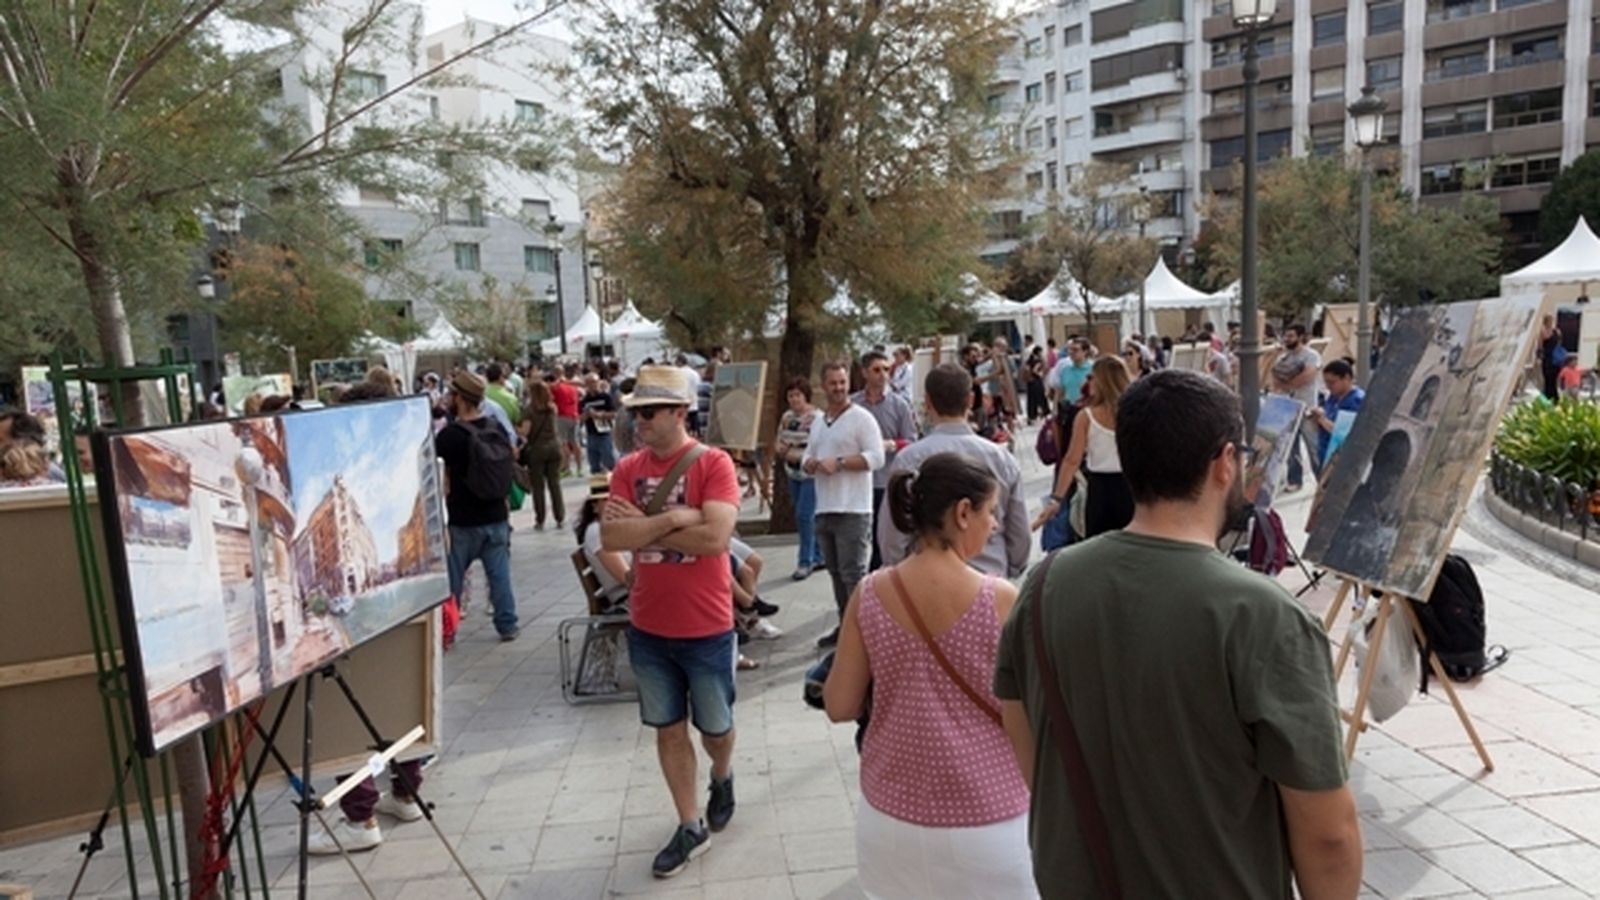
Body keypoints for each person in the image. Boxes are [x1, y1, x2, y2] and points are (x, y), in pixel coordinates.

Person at [996, 368, 1361, 898]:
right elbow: (1328, 833)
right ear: (1224, 462)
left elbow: (1025, 736)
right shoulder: (1263, 616)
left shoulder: (1044, 584)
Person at [825, 454, 1035, 900]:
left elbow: (839, 704)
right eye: (990, 511)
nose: (994, 524)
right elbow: (1026, 722)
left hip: (889, 821)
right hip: (989, 818)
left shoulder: (869, 594)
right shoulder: (999, 599)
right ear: (963, 513)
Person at [600, 365, 742, 879]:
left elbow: (716, 540)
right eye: (636, 411)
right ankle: (689, 825)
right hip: (649, 627)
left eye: (649, 411)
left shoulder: (714, 465)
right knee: (667, 730)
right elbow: (611, 540)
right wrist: (675, 518)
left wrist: (643, 527)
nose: (639, 420)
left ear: (680, 413)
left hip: (706, 625)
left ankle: (722, 776)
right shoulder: (626, 468)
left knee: (717, 727)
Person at [880, 364, 1028, 579]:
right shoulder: (1002, 459)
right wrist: (1012, 569)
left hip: (927, 582)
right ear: (970, 399)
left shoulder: (909, 459)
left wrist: (900, 573)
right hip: (989, 577)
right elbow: (1019, 530)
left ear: (928, 402)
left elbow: (893, 534)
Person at [804, 361, 887, 648]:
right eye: (833, 383)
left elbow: (876, 458)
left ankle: (864, 635)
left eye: (842, 382)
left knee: (853, 574)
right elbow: (806, 457)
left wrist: (839, 463)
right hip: (824, 506)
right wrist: (811, 464)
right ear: (823, 386)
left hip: (853, 507)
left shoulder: (862, 419)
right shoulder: (818, 421)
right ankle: (846, 626)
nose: (839, 388)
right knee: (836, 573)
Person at [436, 371, 520, 641]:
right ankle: (507, 625)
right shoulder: (495, 428)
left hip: (463, 519)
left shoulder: (449, 436)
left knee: (454, 580)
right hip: (496, 514)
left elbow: (439, 476)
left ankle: (447, 632)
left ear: (459, 399)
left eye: (452, 395)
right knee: (500, 576)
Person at [1033, 356, 1134, 538]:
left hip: (1100, 489)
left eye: (1091, 377)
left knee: (1099, 547)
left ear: (1102, 380)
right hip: (1132, 486)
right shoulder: (1138, 413)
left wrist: (1056, 499)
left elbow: (1072, 459)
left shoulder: (1087, 416)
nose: (1088, 381)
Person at [851, 351, 917, 571]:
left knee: (883, 537)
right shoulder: (853, 405)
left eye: (886, 370)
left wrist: (891, 444)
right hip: (858, 480)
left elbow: (912, 441)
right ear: (864, 373)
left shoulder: (899, 405)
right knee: (859, 537)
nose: (882, 375)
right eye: (876, 370)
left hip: (886, 480)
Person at [774, 377, 825, 580]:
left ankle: (805, 561)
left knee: (805, 516)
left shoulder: (817, 418)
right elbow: (779, 441)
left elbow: (819, 448)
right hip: (792, 472)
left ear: (806, 396)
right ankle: (819, 555)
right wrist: (783, 451)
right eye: (791, 396)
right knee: (805, 515)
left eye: (798, 395)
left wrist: (795, 453)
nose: (794, 400)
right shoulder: (787, 417)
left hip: (810, 474)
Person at [1271, 323, 1323, 492]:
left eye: (1291, 336)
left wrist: (1288, 384)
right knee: (1290, 448)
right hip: (1287, 408)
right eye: (1286, 336)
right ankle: (1294, 480)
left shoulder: (1311, 356)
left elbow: (1307, 377)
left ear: (1300, 337)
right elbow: (1275, 380)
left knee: (1313, 446)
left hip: (1307, 407)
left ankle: (1322, 479)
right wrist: (1287, 385)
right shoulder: (1282, 358)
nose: (1287, 339)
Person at [519, 379, 565, 529]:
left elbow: (525, 432)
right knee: (555, 484)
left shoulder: (529, 410)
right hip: (555, 447)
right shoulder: (552, 408)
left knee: (538, 487)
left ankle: (540, 519)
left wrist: (515, 428)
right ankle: (560, 516)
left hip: (538, 450)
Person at [1311, 359, 1366, 466]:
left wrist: (1322, 419)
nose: (1328, 386)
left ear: (1346, 378)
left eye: (1332, 382)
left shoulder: (1356, 400)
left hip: (1341, 459)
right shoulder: (1333, 396)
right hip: (1325, 452)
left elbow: (1345, 433)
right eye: (1326, 382)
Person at [580, 374, 618, 474]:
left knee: (609, 460)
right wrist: (586, 416)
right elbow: (579, 419)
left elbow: (614, 413)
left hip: (605, 433)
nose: (593, 385)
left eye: (594, 382)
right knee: (594, 464)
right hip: (591, 434)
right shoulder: (584, 401)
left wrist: (600, 415)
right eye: (589, 383)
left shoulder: (605, 397)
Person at [551, 368, 583, 476]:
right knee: (575, 442)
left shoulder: (555, 387)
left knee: (563, 443)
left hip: (562, 416)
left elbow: (551, 399)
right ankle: (579, 468)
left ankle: (567, 468)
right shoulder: (572, 386)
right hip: (574, 415)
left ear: (555, 373)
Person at [1047, 338, 1092, 413]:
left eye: (1075, 350)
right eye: (1070, 350)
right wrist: (1055, 411)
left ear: (1085, 351)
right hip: (1069, 411)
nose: (1071, 352)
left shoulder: (1093, 369)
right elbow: (1059, 393)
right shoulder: (1065, 370)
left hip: (1088, 412)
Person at [1539, 314, 1562, 401]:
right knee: (1550, 380)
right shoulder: (1552, 331)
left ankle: (1552, 398)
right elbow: (1541, 344)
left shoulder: (1552, 331)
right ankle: (1551, 397)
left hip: (1552, 358)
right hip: (1551, 358)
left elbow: (1541, 344)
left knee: (1551, 380)